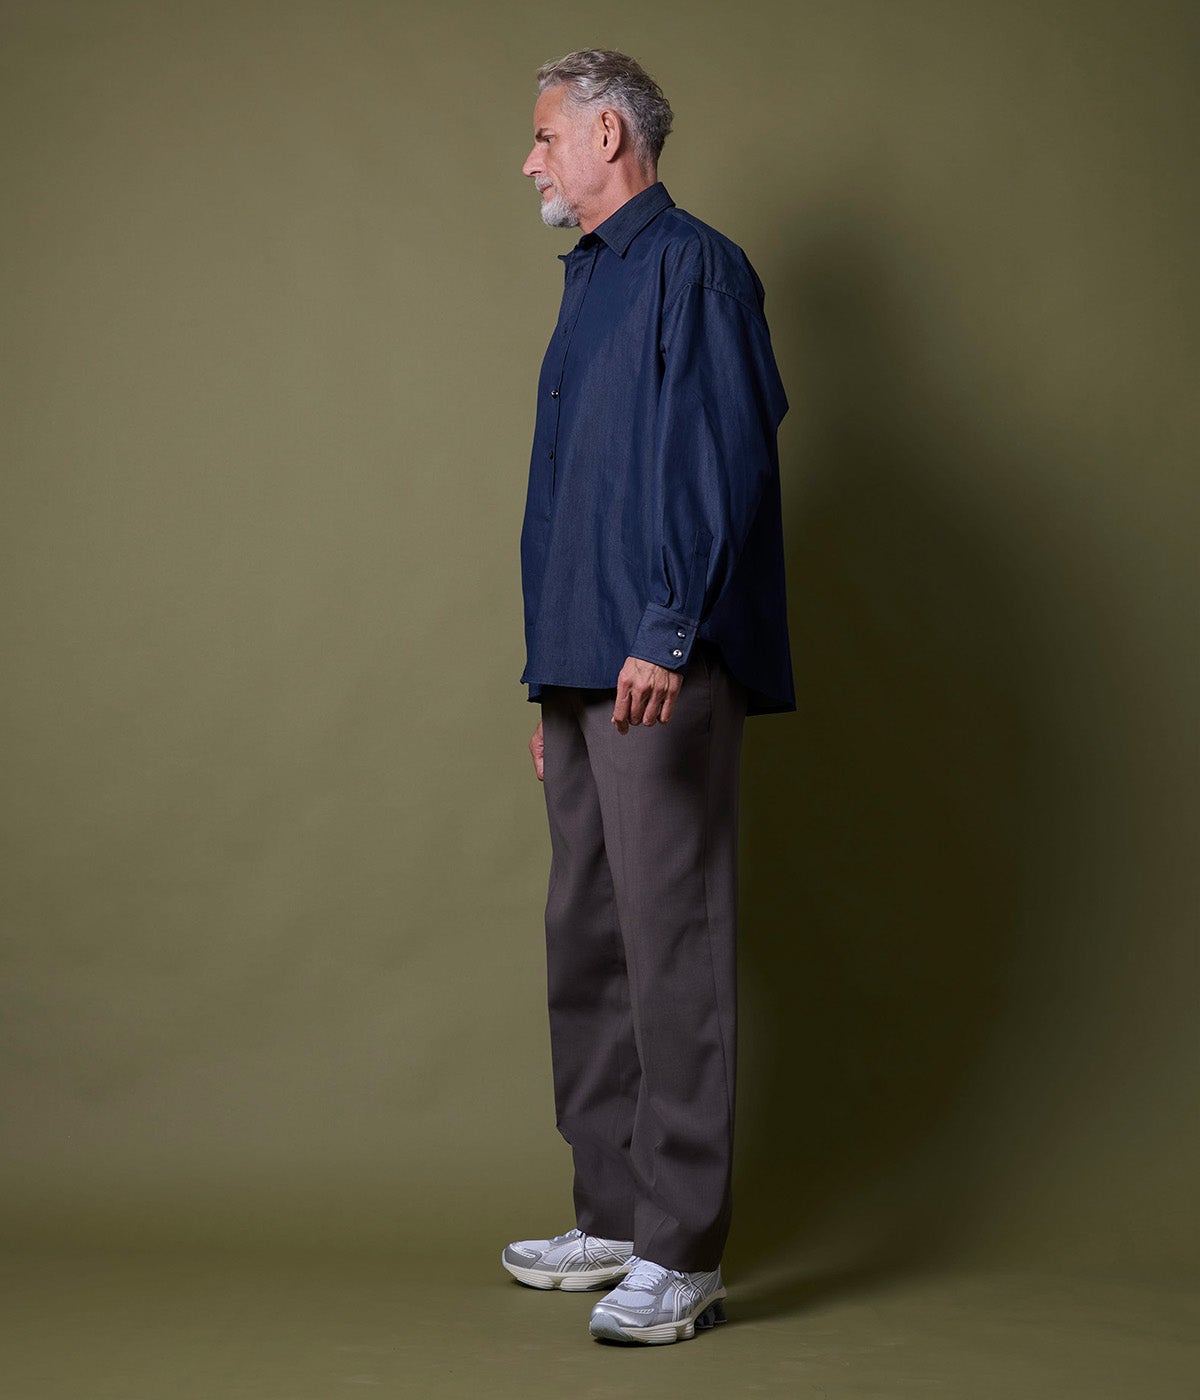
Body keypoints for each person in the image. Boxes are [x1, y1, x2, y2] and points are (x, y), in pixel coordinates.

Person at [502, 49, 794, 1346]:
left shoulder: (698, 269)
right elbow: (572, 502)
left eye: (545, 135)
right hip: (582, 672)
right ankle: (614, 1215)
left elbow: (723, 464)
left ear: (609, 135)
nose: (530, 159)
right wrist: (547, 687)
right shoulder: (591, 281)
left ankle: (682, 1254)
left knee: (672, 945)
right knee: (586, 941)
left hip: (656, 666)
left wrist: (667, 634)